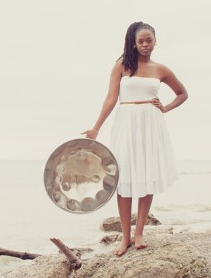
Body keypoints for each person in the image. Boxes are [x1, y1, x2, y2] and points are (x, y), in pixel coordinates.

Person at [81, 22, 188, 257]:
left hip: (151, 124)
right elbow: (110, 99)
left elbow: (183, 94)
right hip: (126, 123)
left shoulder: (162, 69)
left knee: (147, 175)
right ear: (133, 43)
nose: (145, 45)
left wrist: (166, 108)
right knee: (124, 178)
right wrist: (96, 127)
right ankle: (125, 237)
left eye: (149, 40)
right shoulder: (121, 66)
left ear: (155, 40)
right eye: (140, 41)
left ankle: (139, 234)